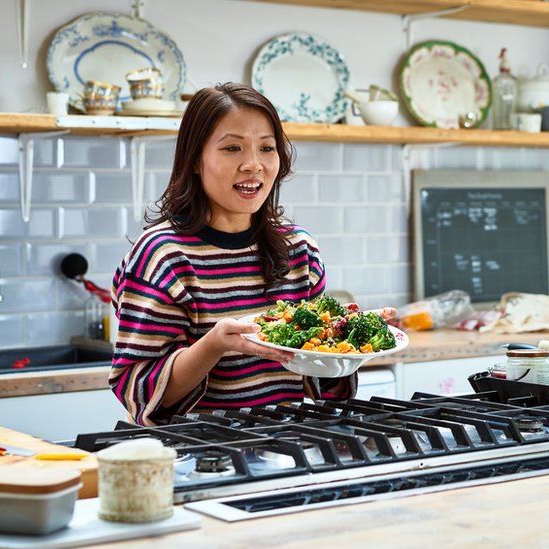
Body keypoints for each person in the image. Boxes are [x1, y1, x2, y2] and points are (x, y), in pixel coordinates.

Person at [110, 83, 365, 425]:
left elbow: (323, 384)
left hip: (286, 449)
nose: (253, 165)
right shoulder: (163, 256)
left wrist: (352, 338)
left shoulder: (300, 252)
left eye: (267, 148)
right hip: (194, 457)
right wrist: (214, 344)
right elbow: (139, 390)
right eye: (232, 148)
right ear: (195, 161)